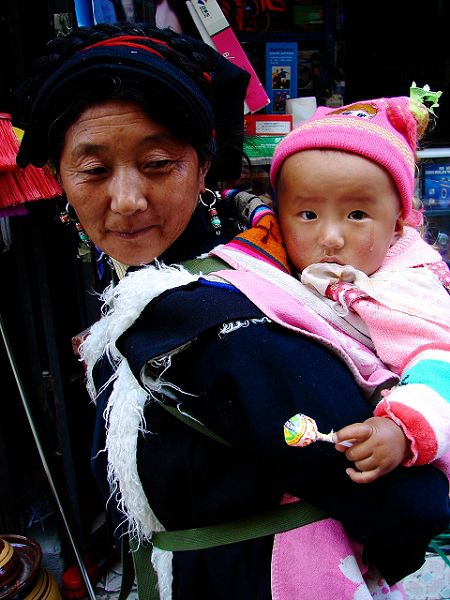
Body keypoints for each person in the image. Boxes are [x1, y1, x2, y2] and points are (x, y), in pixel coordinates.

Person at [13, 23, 449, 599]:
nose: (125, 200)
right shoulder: (147, 302)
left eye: (158, 163)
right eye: (93, 170)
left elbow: (411, 507)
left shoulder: (229, 327)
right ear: (61, 180)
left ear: (204, 165)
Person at [215, 93, 450, 486]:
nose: (330, 238)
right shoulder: (295, 266)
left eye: (357, 215)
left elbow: (440, 364)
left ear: (396, 225)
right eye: (307, 214)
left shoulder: (402, 290)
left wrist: (401, 429)